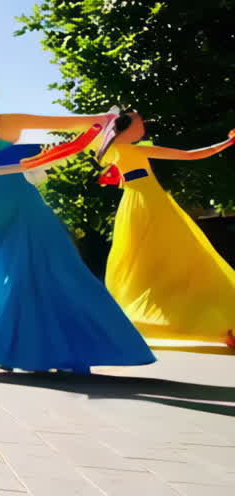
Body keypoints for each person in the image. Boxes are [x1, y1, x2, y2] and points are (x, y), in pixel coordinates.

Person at [0, 70, 154, 373]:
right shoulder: (6, 121)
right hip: (20, 198)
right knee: (54, 267)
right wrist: (103, 117)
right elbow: (62, 123)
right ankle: (42, 346)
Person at [96, 110, 235, 347]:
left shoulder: (110, 151)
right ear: (128, 126)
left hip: (132, 203)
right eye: (140, 122)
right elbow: (190, 155)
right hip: (150, 200)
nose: (144, 127)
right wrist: (229, 142)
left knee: (139, 260)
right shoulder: (134, 149)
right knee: (185, 253)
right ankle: (214, 320)